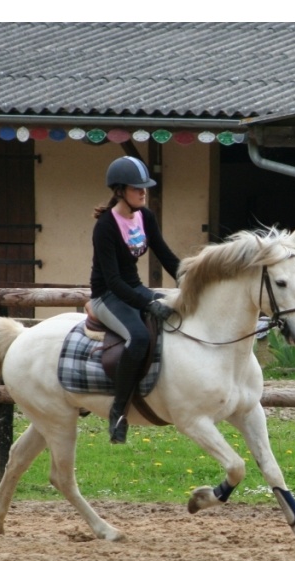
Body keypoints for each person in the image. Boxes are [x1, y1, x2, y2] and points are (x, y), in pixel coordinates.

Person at [89, 156, 181, 444]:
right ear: (120, 191)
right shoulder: (105, 226)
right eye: (137, 188)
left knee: (177, 315)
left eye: (145, 188)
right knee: (140, 337)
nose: (143, 192)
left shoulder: (146, 216)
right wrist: (148, 304)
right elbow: (113, 281)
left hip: (134, 288)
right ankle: (118, 410)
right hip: (107, 296)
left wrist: (191, 280)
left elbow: (166, 256)